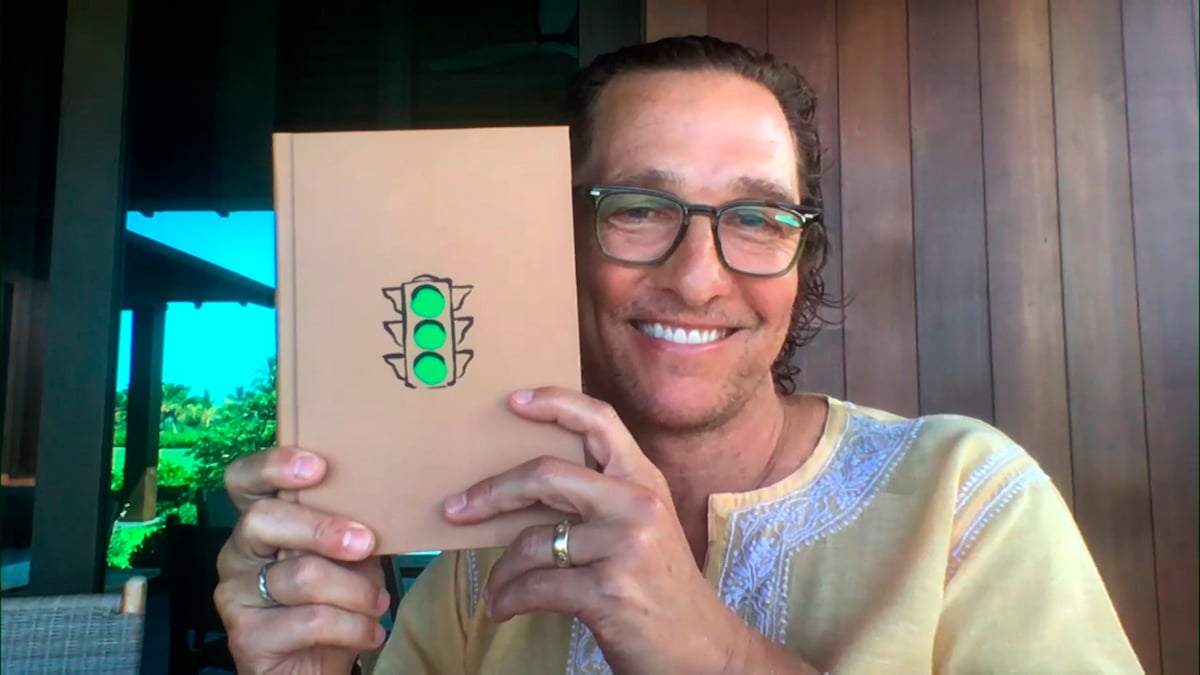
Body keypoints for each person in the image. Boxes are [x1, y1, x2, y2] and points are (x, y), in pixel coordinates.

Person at [214, 35, 1143, 674]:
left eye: (757, 216)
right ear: (554, 244)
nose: (698, 277)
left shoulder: (966, 497)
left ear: (800, 258)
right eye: (638, 209)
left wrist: (712, 651)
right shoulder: (482, 552)